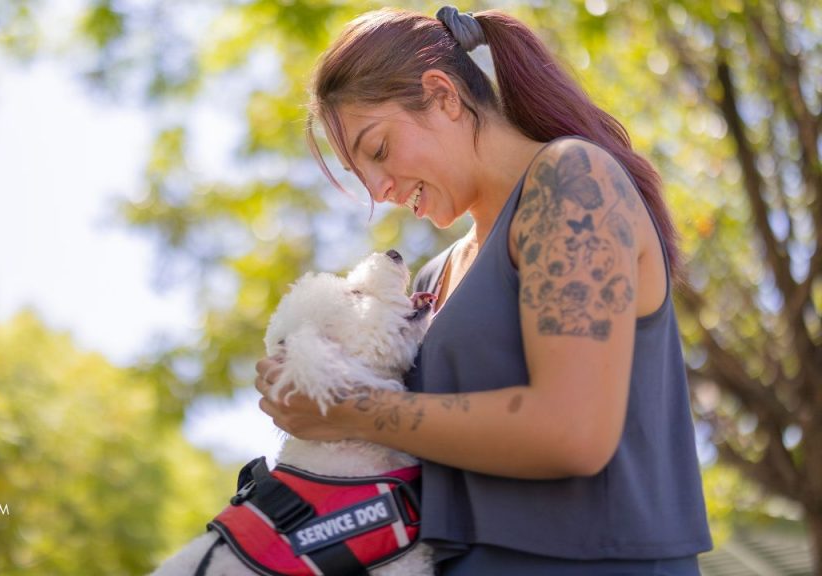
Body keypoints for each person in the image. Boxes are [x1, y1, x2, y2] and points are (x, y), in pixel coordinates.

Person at [254, 5, 713, 575]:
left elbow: (572, 434)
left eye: (378, 151)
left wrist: (351, 410)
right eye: (362, 176)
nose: (381, 190)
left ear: (444, 95)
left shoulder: (572, 182)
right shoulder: (433, 279)